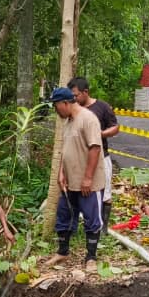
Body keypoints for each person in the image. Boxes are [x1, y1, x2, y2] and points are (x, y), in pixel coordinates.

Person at [48, 85, 105, 267]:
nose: (55, 110)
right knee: (64, 215)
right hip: (70, 182)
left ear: (65, 103)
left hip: (88, 183)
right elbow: (66, 151)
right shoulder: (68, 122)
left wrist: (88, 178)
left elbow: (95, 148)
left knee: (91, 219)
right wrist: (61, 173)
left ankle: (91, 258)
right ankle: (62, 252)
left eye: (55, 106)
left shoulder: (88, 119)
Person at [68, 76, 119, 226]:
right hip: (79, 159)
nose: (74, 99)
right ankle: (83, 222)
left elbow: (115, 127)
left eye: (76, 96)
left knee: (105, 192)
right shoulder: (73, 109)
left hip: (101, 157)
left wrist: (100, 134)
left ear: (86, 92)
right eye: (72, 97)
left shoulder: (102, 107)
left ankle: (103, 227)